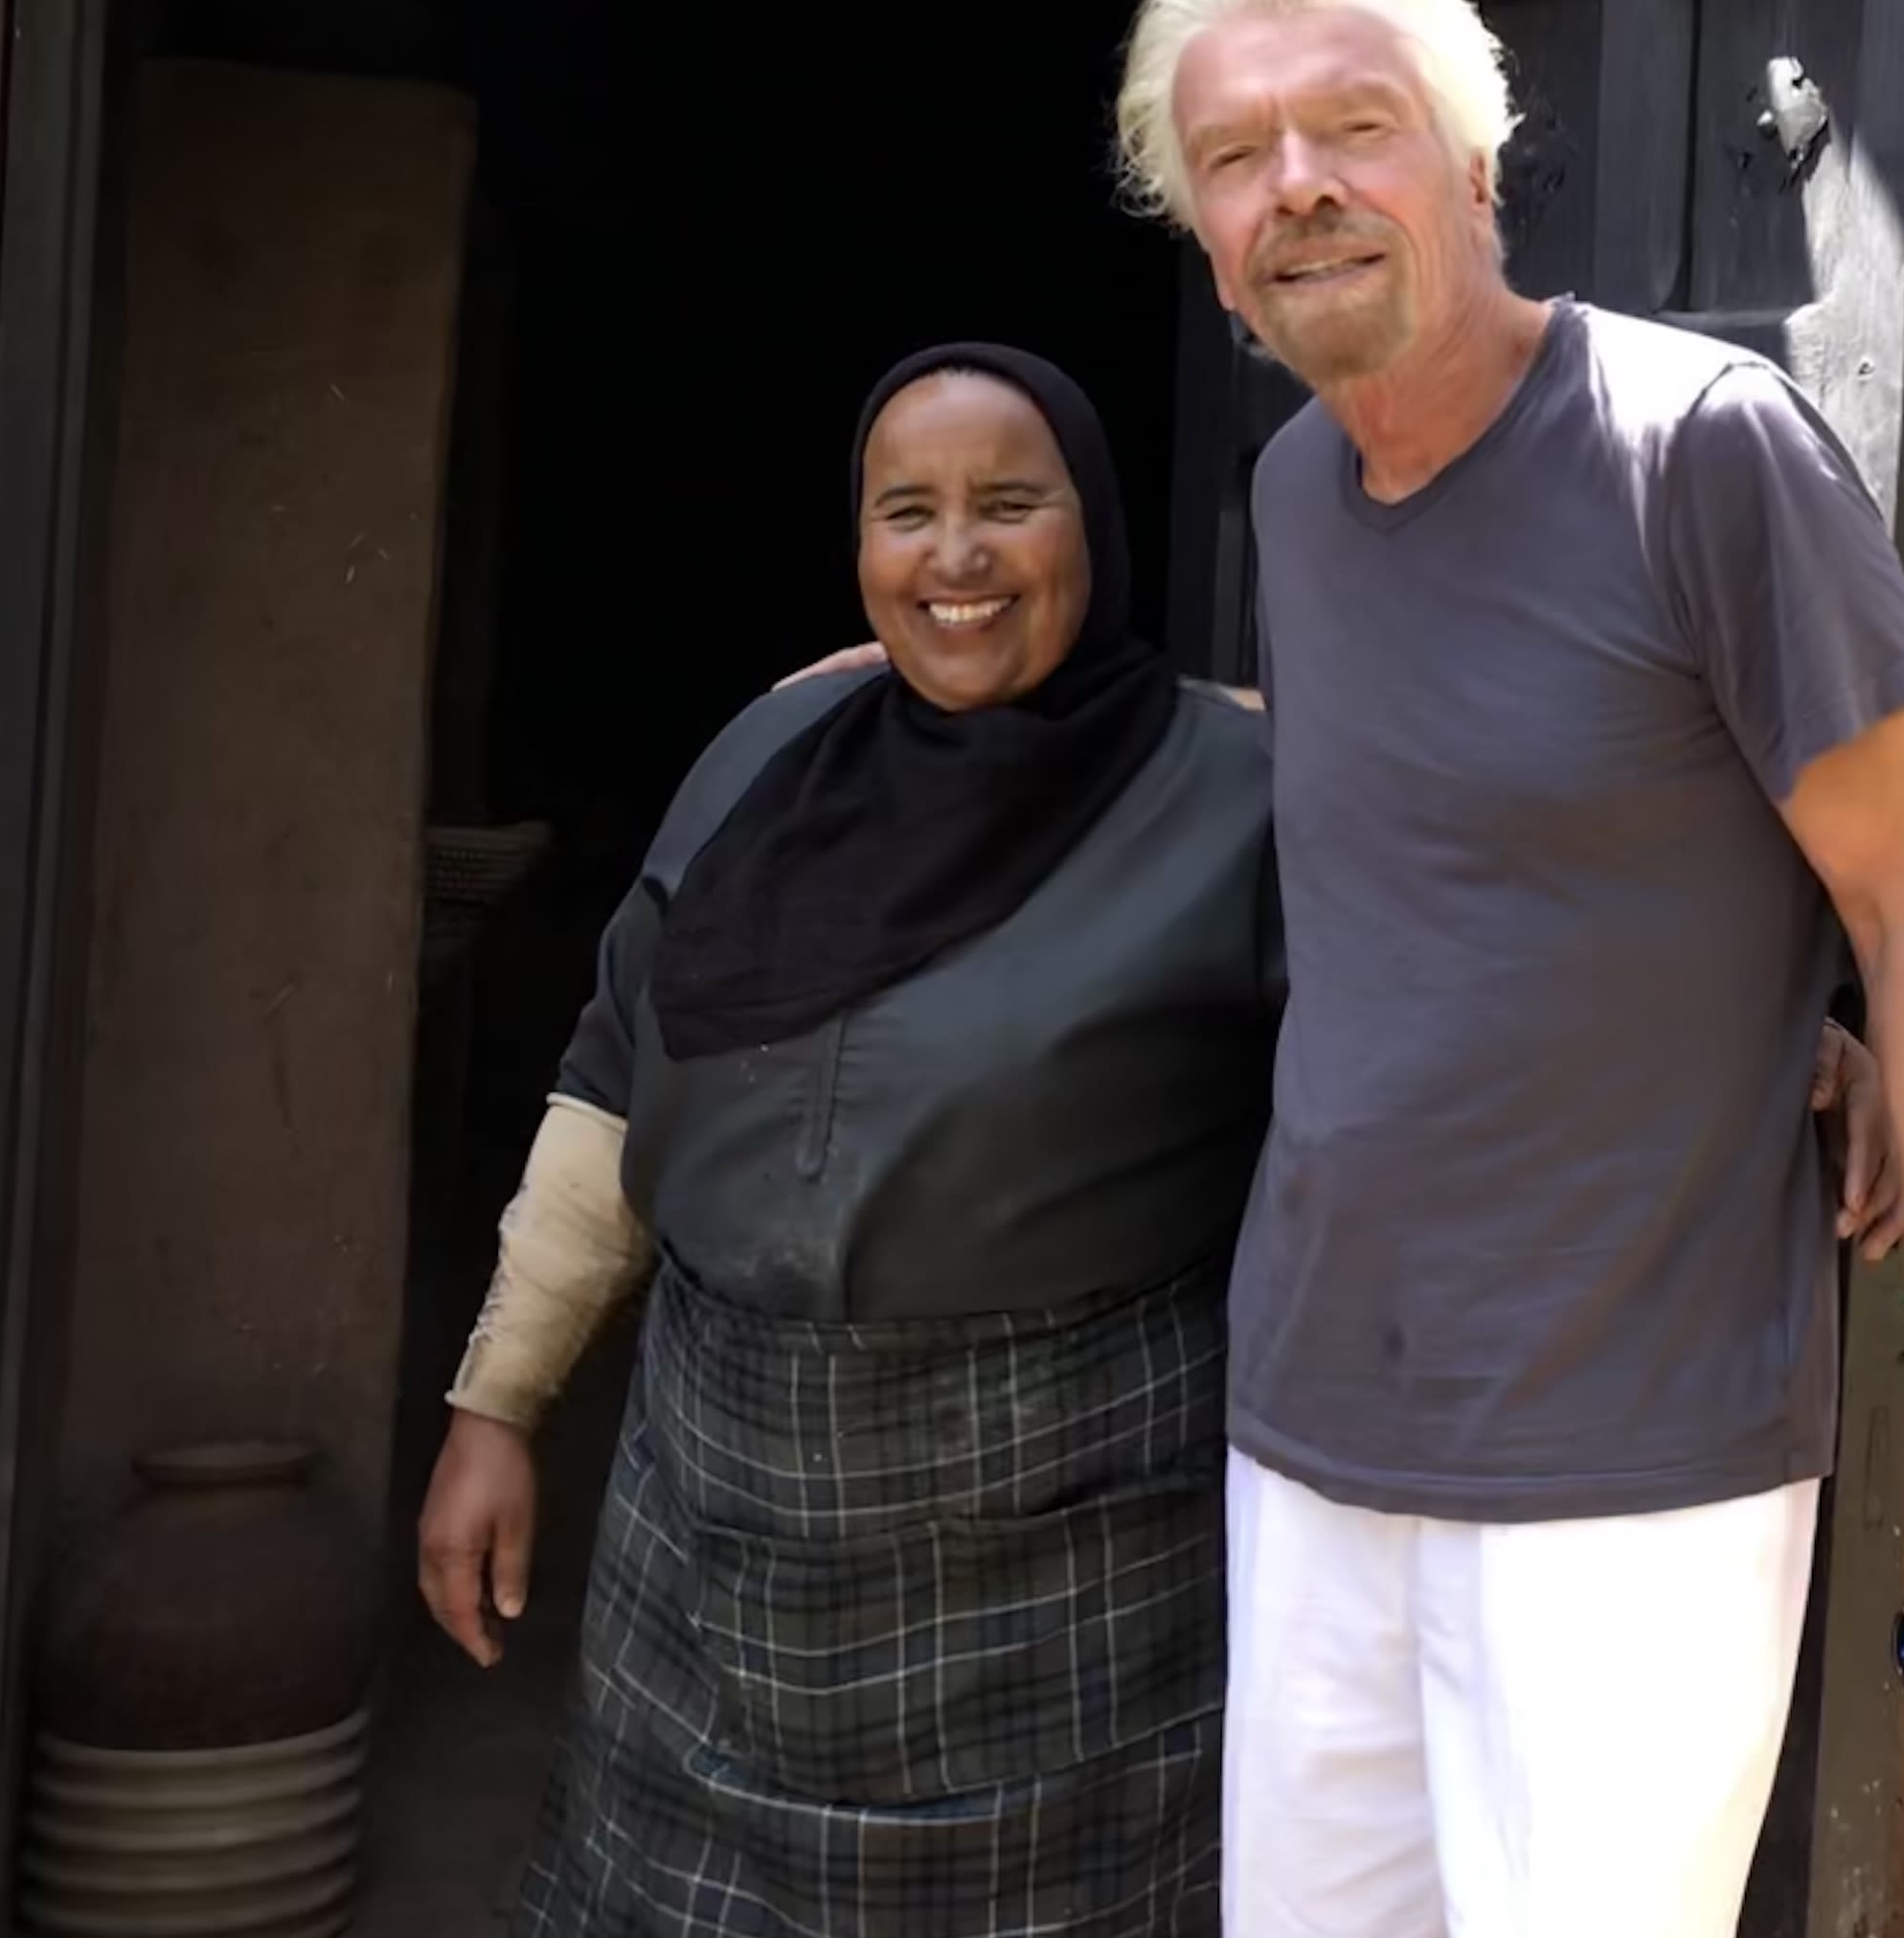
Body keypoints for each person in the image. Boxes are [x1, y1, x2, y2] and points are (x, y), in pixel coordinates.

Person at [1111, 0, 1904, 1935]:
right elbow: (1469, 846)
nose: (1295, 185)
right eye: (1234, 156)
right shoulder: (1297, 491)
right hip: (1314, 1425)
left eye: (1350, 128)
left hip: (1629, 1461)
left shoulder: (1695, 448)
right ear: (1200, 226)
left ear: (1474, 169)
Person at [415, 345, 1280, 1938]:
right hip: (716, 1530)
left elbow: (1461, 1010)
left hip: (1067, 1569)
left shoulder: (1242, 796)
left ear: (1091, 521)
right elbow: (615, 1083)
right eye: (909, 512)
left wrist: (1790, 1041)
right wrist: (497, 1405)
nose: (954, 557)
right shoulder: (764, 759)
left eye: (1009, 506)